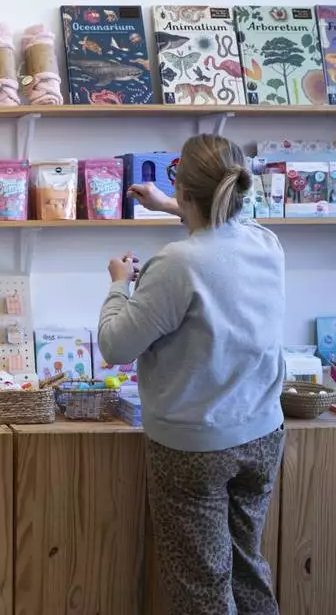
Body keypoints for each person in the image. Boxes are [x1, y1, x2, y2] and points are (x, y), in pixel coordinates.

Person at [97, 134, 285, 615]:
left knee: (200, 584)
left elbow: (116, 345)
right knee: (247, 568)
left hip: (195, 445)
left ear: (184, 190)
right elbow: (222, 233)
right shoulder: (266, 243)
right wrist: (170, 206)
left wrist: (119, 286)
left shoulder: (177, 264)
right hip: (263, 432)